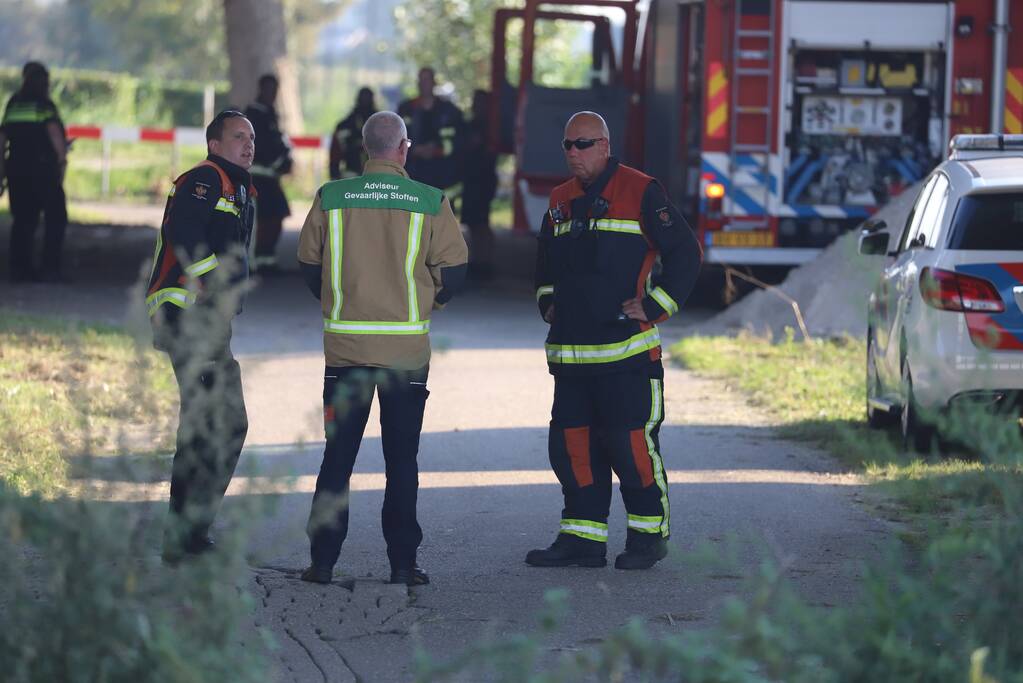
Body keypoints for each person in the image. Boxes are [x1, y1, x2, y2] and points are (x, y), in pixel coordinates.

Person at [297, 111, 468, 586]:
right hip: (406, 357)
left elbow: (310, 266)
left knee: (337, 459)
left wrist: (339, 300)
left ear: (364, 149)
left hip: (345, 353)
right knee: (401, 461)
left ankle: (323, 563)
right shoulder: (430, 202)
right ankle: (403, 565)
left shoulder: (331, 198)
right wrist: (429, 297)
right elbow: (455, 274)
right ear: (404, 148)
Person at [528, 111, 703, 570]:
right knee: (572, 450)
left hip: (626, 357)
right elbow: (545, 261)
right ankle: (582, 539)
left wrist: (657, 304)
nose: (573, 153)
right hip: (571, 359)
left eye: (582, 144)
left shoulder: (641, 190)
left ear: (605, 145)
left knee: (631, 449)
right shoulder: (560, 199)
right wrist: (547, 301)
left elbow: (685, 252)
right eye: (567, 145)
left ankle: (648, 538)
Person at [145, 109, 257, 563]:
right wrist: (213, 284)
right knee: (212, 423)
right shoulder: (205, 179)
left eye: (251, 137)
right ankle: (184, 535)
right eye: (237, 136)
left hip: (208, 319)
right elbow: (184, 231)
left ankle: (191, 529)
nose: (248, 144)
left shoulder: (240, 185)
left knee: (223, 423)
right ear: (214, 143)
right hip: (189, 315)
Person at [0, 62, 69, 283]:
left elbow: (2, 140)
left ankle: (19, 269)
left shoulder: (13, 104)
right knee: (56, 217)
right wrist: (62, 160)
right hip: (43, 170)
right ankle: (50, 269)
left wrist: (2, 170)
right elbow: (55, 135)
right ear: (44, 82)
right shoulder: (44, 105)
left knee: (22, 220)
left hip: (16, 169)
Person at [244, 73, 293, 273]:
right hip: (257, 174)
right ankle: (256, 260)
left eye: (275, 90)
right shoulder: (254, 114)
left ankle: (266, 257)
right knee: (263, 218)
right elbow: (263, 144)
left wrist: (285, 160)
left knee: (276, 214)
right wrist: (280, 160)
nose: (272, 94)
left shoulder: (270, 113)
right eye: (269, 89)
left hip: (270, 175)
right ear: (261, 89)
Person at [397, 67, 464, 189]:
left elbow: (460, 140)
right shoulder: (406, 109)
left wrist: (437, 150)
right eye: (421, 80)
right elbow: (396, 139)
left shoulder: (449, 111)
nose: (424, 84)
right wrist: (414, 150)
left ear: (434, 82)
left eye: (427, 80)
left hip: (442, 173)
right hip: (413, 173)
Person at [461, 89, 498, 280]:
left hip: (483, 180)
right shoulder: (471, 125)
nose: (476, 105)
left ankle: (486, 262)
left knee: (482, 223)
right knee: (474, 223)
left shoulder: (489, 127)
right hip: (472, 179)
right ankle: (477, 260)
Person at [329, 87, 376, 180]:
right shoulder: (383, 125)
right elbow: (335, 153)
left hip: (371, 174)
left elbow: (335, 155)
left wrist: (334, 175)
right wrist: (334, 174)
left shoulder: (382, 125)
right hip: (356, 172)